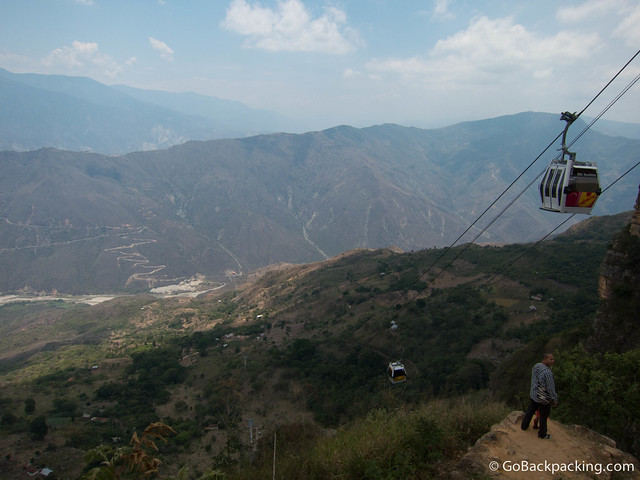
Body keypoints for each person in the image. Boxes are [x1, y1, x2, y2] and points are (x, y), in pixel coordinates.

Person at [521, 353, 558, 439]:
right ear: (545, 359)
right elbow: (551, 388)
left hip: (534, 394)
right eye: (551, 359)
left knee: (530, 411)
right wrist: (554, 399)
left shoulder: (536, 366)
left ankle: (524, 426)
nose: (553, 361)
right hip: (543, 398)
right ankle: (542, 434)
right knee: (544, 416)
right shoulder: (547, 373)